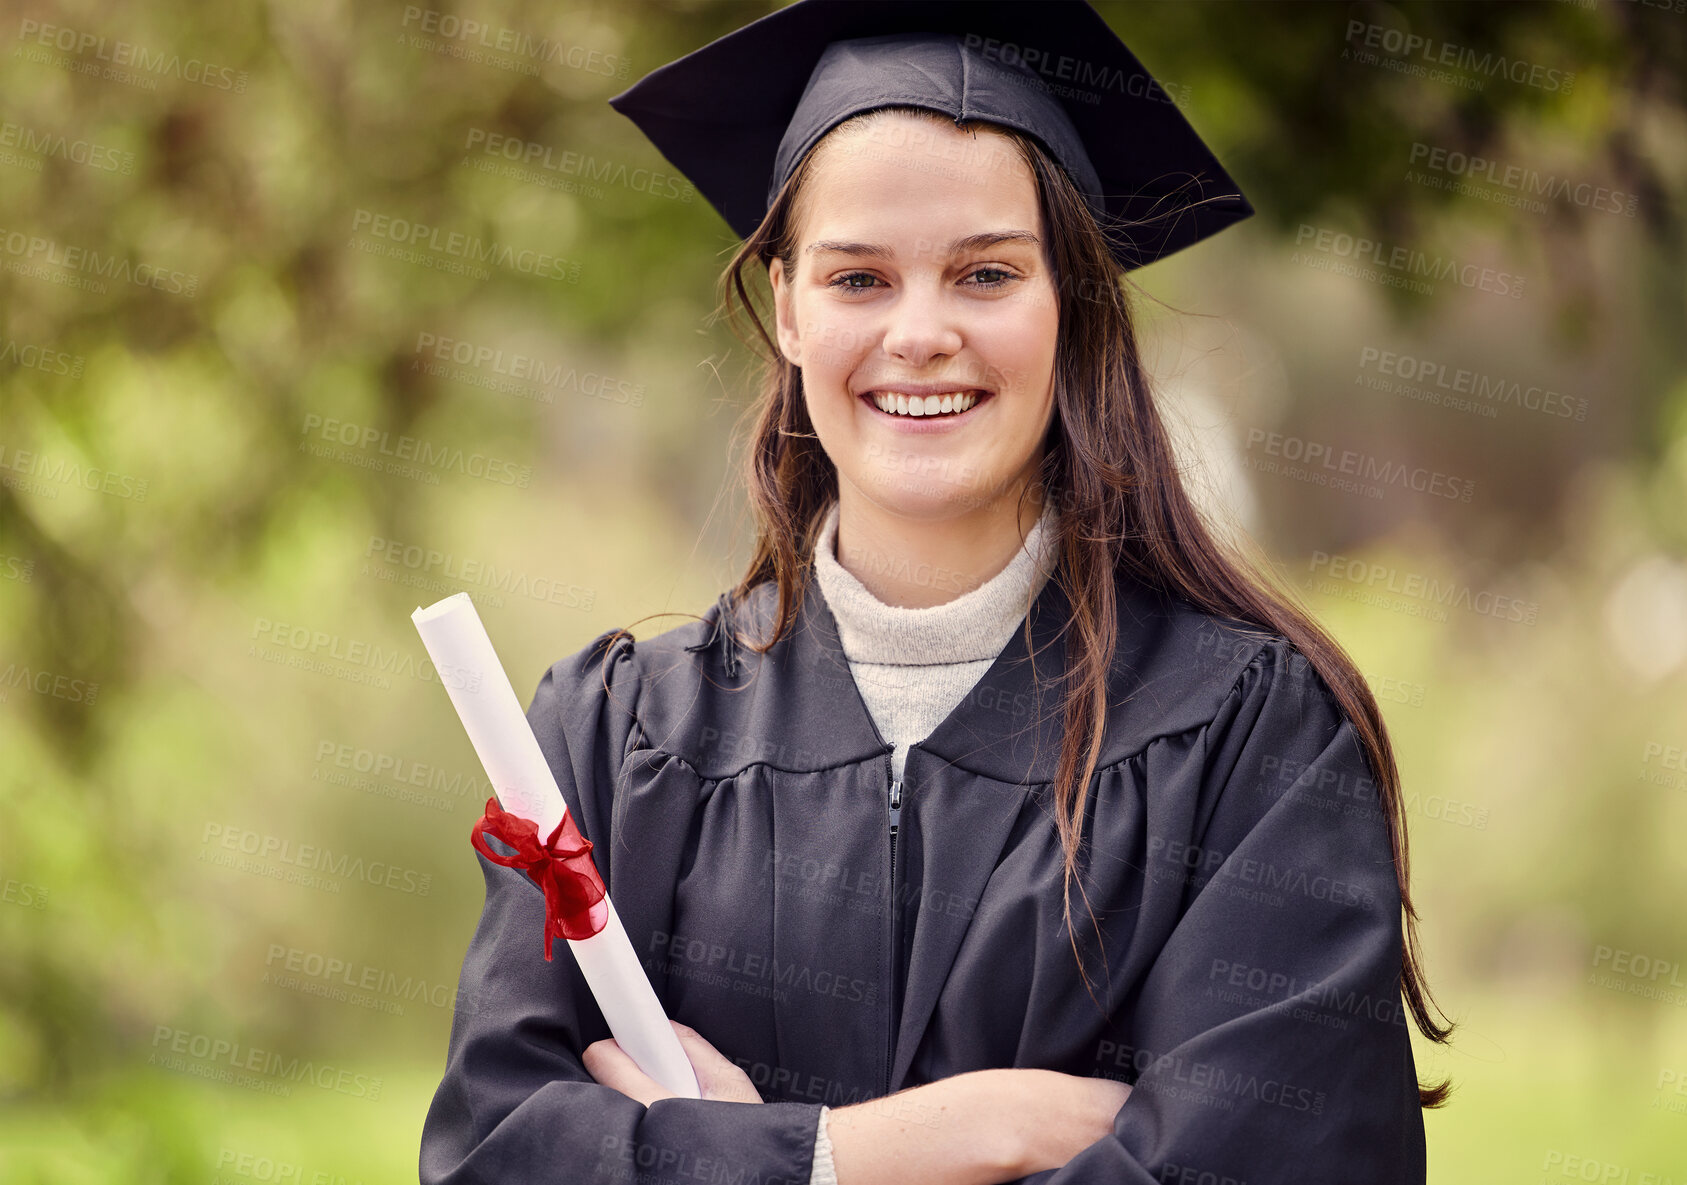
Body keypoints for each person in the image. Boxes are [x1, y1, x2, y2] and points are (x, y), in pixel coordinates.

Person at [418, 3, 1453, 1183]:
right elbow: (494, 1157)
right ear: (790, 308)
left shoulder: (1251, 742)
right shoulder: (610, 742)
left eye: (987, 274)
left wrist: (710, 1157)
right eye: (859, 277)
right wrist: (903, 1147)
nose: (920, 333)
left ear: (1069, 307)